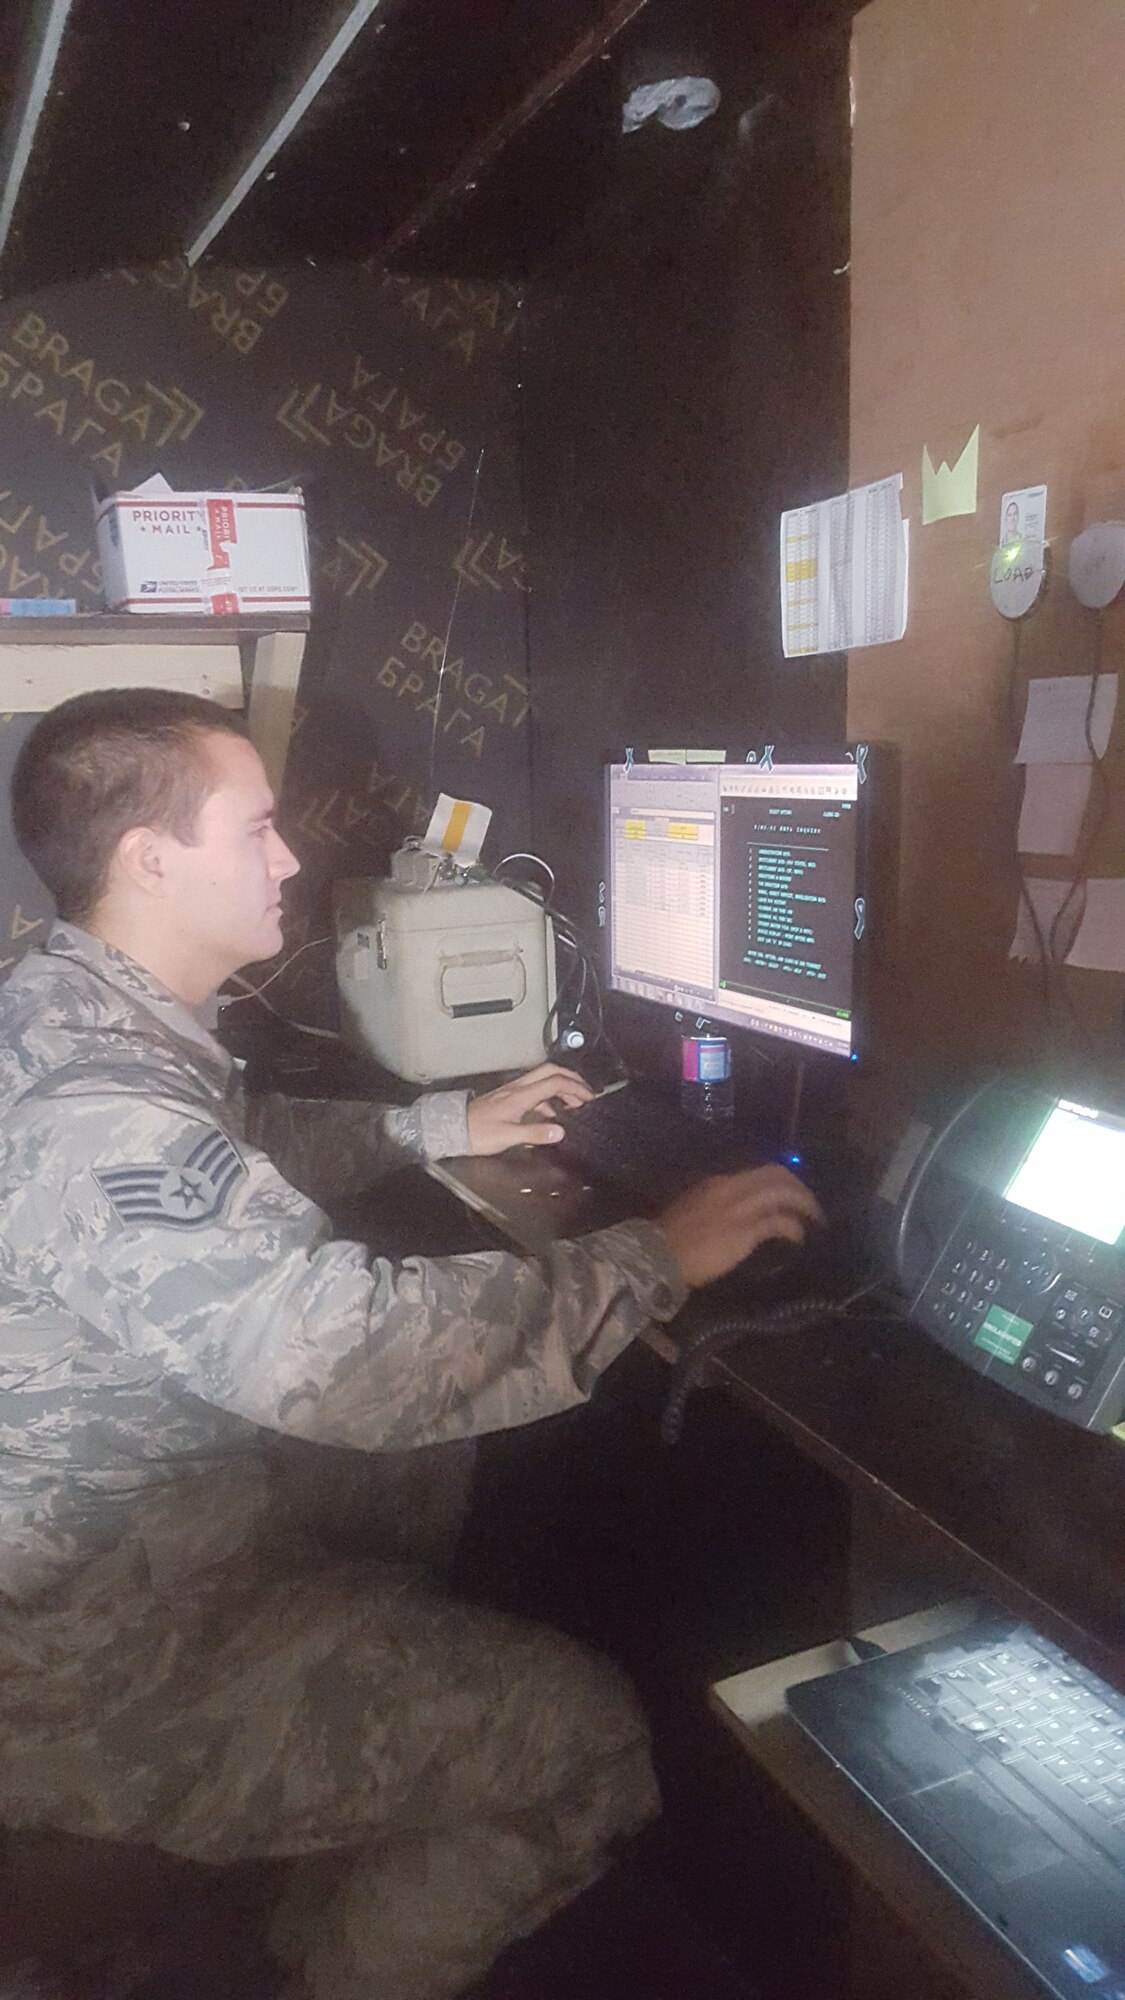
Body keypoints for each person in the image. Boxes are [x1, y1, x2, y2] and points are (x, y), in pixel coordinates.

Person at [0, 689, 822, 2000]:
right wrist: (655, 1257)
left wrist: (435, 1126)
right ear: (148, 860)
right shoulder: (99, 1108)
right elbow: (349, 1360)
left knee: (435, 1469)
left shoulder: (66, 1008)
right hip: (86, 1663)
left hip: (107, 1546)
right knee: (587, 1745)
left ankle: (352, 1813)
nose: (288, 859)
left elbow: (238, 1148)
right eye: (256, 829)